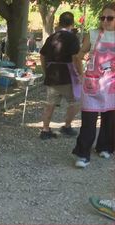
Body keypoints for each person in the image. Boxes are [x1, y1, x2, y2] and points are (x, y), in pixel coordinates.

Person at [72, 2, 115, 168]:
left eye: (110, 18)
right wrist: (81, 74)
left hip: (112, 84)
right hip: (93, 82)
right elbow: (79, 55)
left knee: (110, 118)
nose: (105, 21)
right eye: (102, 17)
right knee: (89, 119)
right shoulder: (93, 34)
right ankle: (83, 154)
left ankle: (105, 146)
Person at [39, 12, 81, 140]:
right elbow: (75, 58)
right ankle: (67, 126)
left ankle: (45, 129)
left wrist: (45, 70)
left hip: (52, 74)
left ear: (59, 22)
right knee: (75, 102)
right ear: (72, 23)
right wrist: (80, 73)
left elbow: (42, 55)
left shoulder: (51, 37)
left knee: (50, 103)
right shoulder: (73, 38)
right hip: (67, 75)